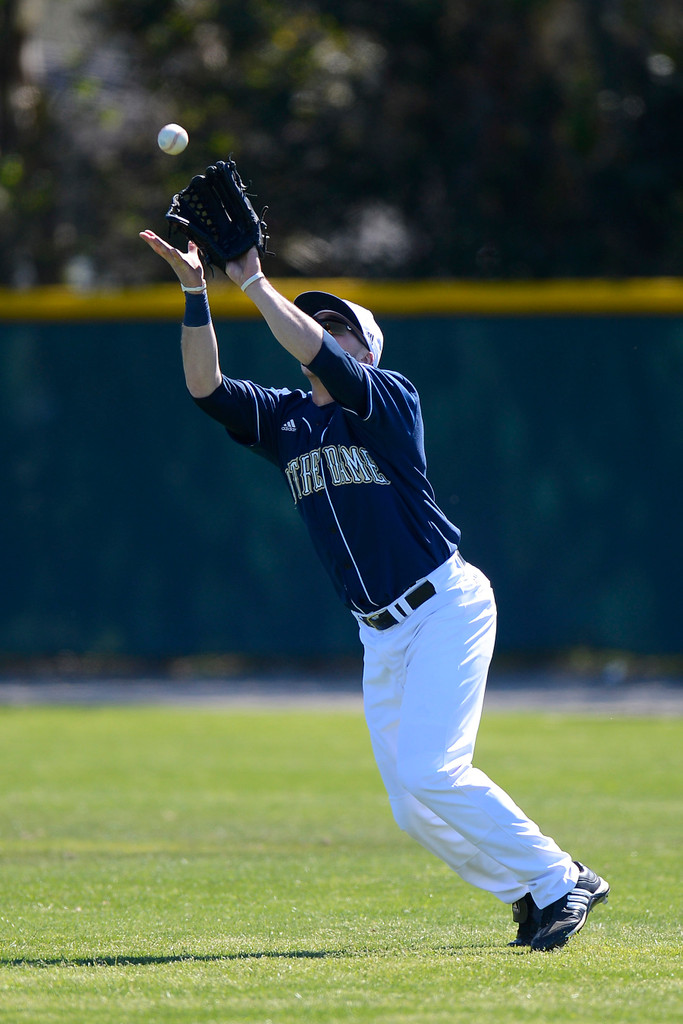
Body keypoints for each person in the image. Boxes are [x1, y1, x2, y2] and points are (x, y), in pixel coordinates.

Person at [139, 228, 610, 951]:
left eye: (337, 328)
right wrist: (197, 293)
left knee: (433, 768)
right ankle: (526, 890)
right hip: (379, 632)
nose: (323, 332)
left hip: (443, 604)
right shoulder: (289, 421)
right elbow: (204, 386)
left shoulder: (388, 401)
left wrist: (254, 281)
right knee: (411, 808)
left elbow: (311, 350)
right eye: (318, 320)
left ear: (362, 353)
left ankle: (560, 879)